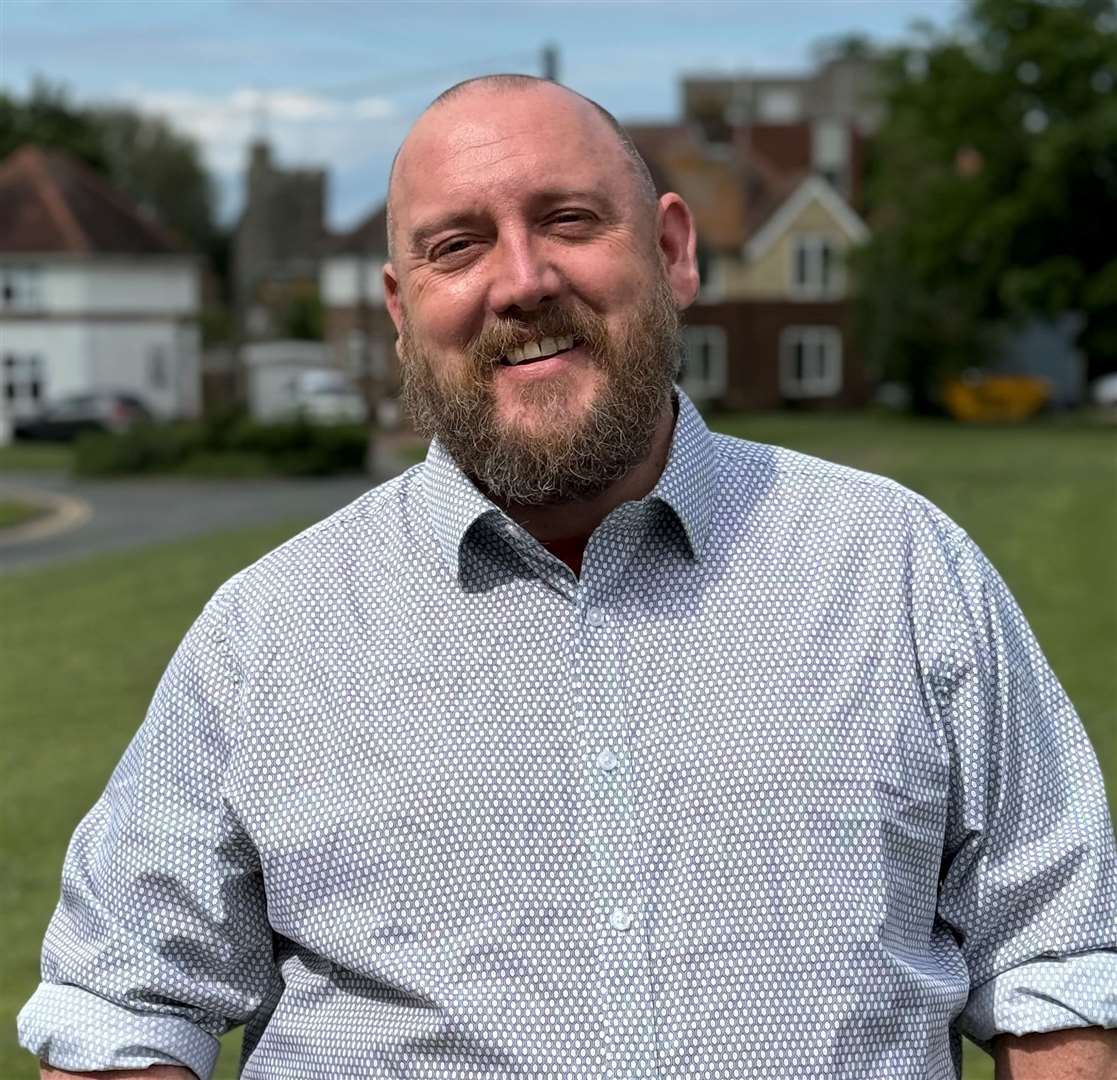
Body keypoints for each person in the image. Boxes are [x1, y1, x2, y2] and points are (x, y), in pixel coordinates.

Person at [18, 75, 1117, 1080]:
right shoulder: (265, 637)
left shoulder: (899, 572)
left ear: (673, 251)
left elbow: (1061, 962)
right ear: (401, 314)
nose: (522, 281)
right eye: (458, 247)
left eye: (568, 221)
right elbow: (122, 1007)